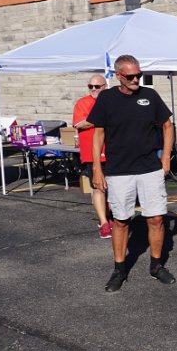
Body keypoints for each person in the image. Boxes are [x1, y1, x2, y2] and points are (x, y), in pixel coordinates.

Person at [90, 54, 176, 293]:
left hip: (150, 168)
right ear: (118, 76)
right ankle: (119, 270)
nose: (136, 79)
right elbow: (98, 134)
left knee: (156, 219)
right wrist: (97, 169)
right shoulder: (106, 98)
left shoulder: (150, 96)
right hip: (119, 170)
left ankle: (156, 266)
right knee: (120, 220)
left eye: (139, 74)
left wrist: (165, 157)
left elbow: (167, 126)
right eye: (131, 76)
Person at [72, 74, 111, 238]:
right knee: (98, 188)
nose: (93, 89)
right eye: (90, 86)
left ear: (105, 86)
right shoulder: (82, 103)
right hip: (92, 154)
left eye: (97, 86)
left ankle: (110, 217)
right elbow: (80, 124)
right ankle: (103, 223)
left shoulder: (112, 101)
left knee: (113, 189)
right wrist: (103, 118)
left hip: (113, 152)